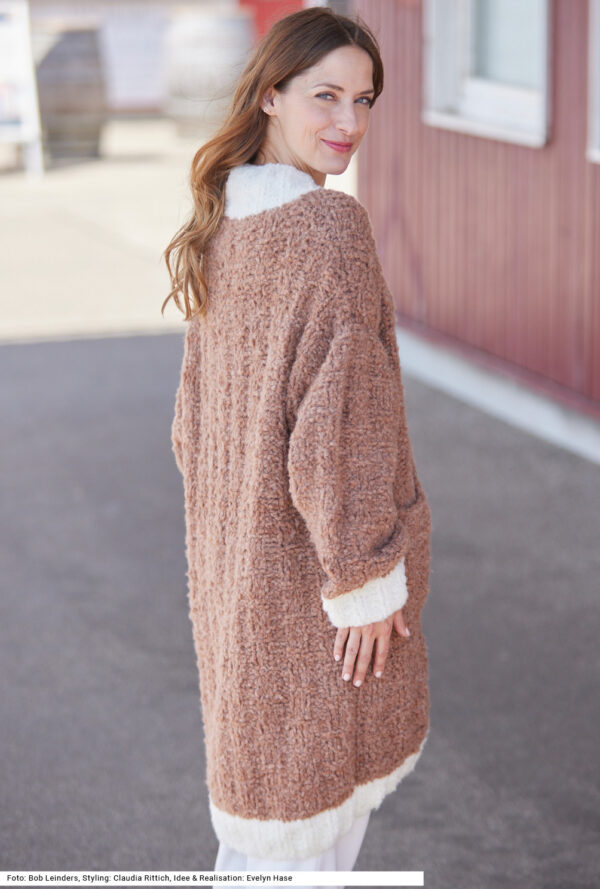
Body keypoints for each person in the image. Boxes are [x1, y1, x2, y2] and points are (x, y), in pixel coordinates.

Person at [162, 7, 433, 885]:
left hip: (239, 586)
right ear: (271, 95)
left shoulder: (226, 226)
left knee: (265, 834)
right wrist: (366, 581)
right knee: (312, 838)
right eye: (326, 96)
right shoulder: (327, 230)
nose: (349, 122)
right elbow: (341, 434)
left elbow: (192, 430)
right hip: (318, 594)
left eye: (365, 99)